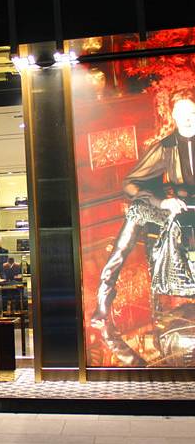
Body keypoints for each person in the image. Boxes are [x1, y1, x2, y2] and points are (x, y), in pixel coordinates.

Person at [92, 96, 195, 366]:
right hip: (178, 208)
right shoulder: (166, 147)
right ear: (174, 117)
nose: (188, 118)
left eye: (192, 112)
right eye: (183, 113)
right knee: (136, 211)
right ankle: (104, 296)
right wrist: (162, 202)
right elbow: (130, 183)